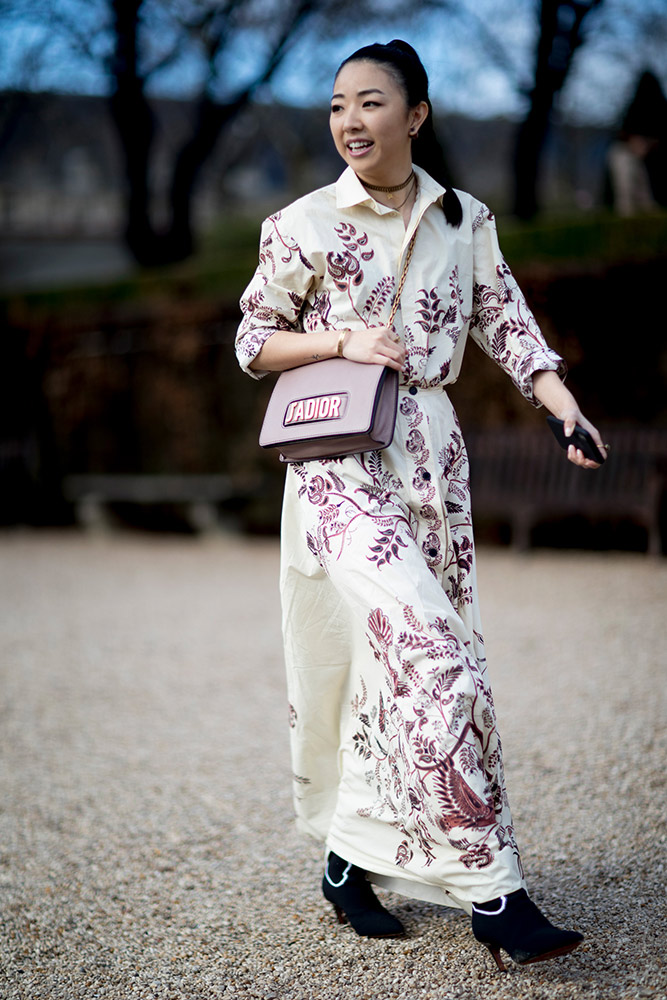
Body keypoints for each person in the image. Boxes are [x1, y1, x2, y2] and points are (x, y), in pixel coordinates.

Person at [236, 40, 604, 972]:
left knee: (393, 671)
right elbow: (251, 340)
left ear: (417, 115)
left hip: (431, 461)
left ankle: (347, 861)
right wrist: (341, 340)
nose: (348, 121)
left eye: (368, 103)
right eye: (334, 106)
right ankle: (497, 898)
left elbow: (507, 325)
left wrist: (566, 412)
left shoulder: (461, 218)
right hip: (337, 465)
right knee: (435, 658)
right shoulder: (302, 222)